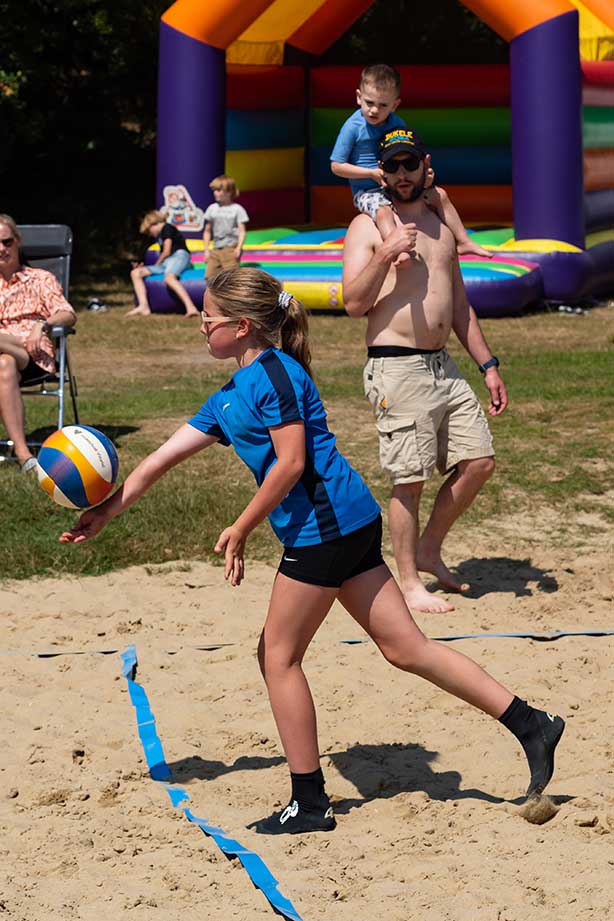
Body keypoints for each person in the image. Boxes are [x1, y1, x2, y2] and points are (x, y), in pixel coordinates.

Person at [60, 266, 564, 836]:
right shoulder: (231, 394)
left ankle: (309, 802)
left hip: (324, 531)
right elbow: (159, 461)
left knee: (277, 657)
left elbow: (292, 462)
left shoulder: (275, 375)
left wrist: (242, 527)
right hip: (345, 522)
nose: (201, 327)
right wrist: (105, 512)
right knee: (406, 649)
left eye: (209, 319)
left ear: (242, 326)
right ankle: (532, 723)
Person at [342, 129, 509, 615]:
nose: (402, 174)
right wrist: (386, 252)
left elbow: (459, 307)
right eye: (392, 166)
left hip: (443, 365)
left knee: (479, 461)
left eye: (409, 164)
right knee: (409, 480)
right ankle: (410, 582)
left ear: (424, 165)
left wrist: (488, 365)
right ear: (381, 172)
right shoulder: (367, 227)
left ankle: (429, 548)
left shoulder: (440, 224)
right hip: (396, 367)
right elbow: (353, 302)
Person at [330, 64, 490, 264]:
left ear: (394, 105)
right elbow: (336, 166)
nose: (374, 110)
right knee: (383, 212)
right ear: (358, 97)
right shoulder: (352, 127)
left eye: (383, 105)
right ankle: (397, 249)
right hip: (367, 191)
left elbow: (411, 152)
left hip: (395, 182)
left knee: (440, 195)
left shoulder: (397, 124)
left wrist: (424, 175)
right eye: (369, 102)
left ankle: (463, 241)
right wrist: (370, 173)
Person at [0, 213, 76, 472]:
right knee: (4, 364)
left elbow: (67, 313)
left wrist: (40, 325)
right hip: (5, 362)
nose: (2, 249)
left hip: (32, 356)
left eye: (7, 242)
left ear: (18, 241)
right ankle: (23, 454)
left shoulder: (40, 278)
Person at [127, 210, 199, 318]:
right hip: (168, 262)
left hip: (179, 256)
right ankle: (143, 306)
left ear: (153, 224)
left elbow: (166, 251)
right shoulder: (161, 235)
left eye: (149, 230)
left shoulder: (167, 228)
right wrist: (148, 268)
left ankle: (190, 307)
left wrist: (156, 265)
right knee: (136, 273)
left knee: (169, 278)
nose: (151, 234)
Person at [202, 176, 249, 279]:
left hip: (230, 248)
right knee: (209, 277)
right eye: (214, 190)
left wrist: (239, 247)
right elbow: (207, 231)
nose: (215, 193)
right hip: (216, 248)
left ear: (229, 192)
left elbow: (242, 231)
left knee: (231, 277)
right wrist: (206, 250)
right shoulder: (212, 208)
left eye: (219, 190)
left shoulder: (237, 209)